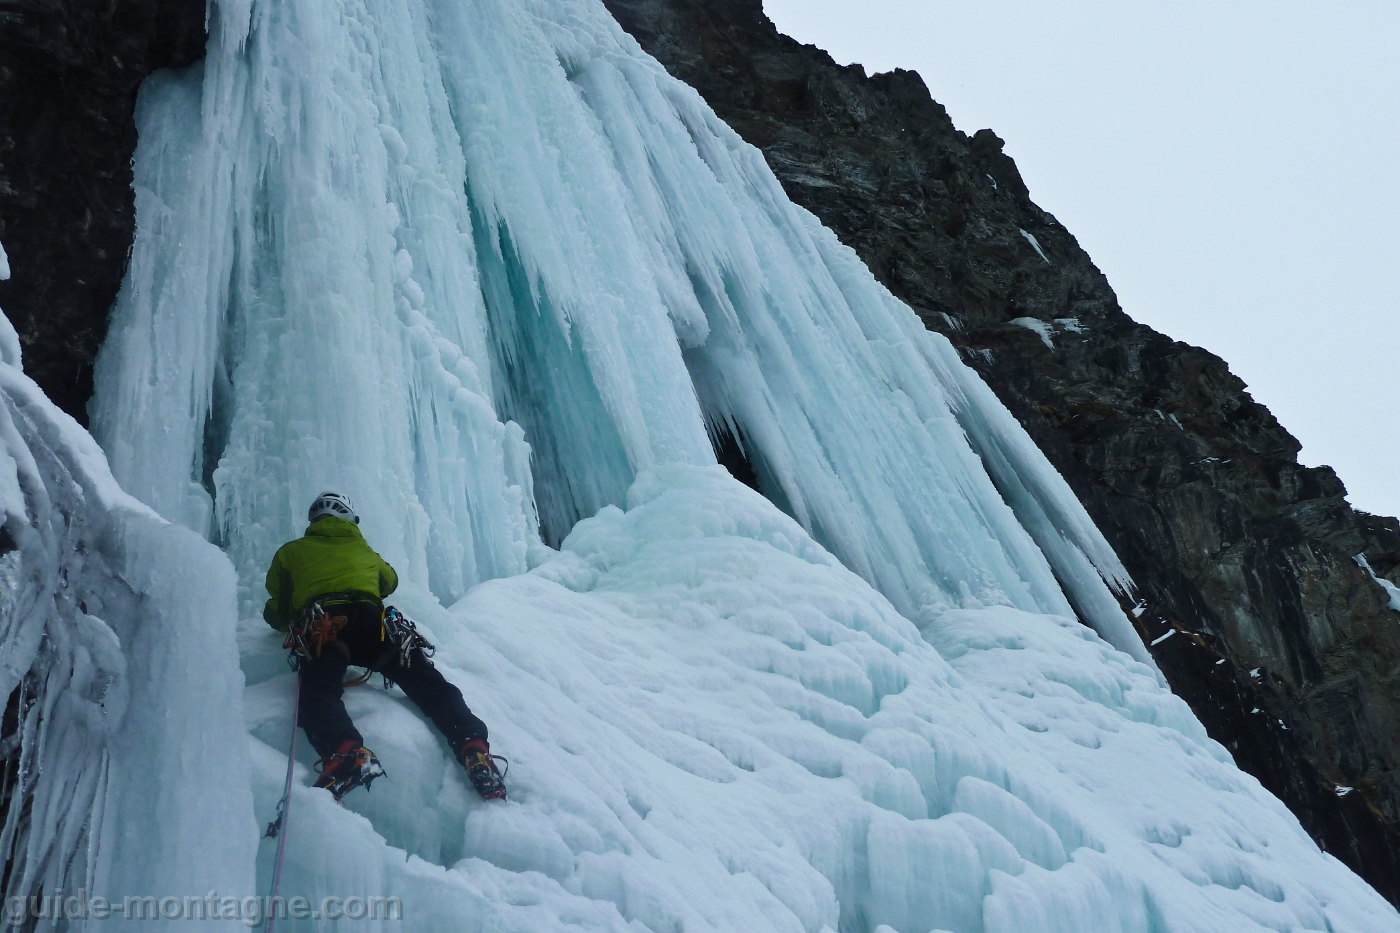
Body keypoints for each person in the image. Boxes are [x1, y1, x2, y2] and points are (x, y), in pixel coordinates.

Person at [264, 492, 506, 801]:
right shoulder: (364, 550)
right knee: (430, 685)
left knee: (319, 690)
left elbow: (280, 607)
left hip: (325, 626)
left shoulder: (291, 552)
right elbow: (389, 582)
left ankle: (346, 751)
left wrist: (280, 619)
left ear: (313, 521)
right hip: (376, 626)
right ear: (351, 520)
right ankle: (474, 747)